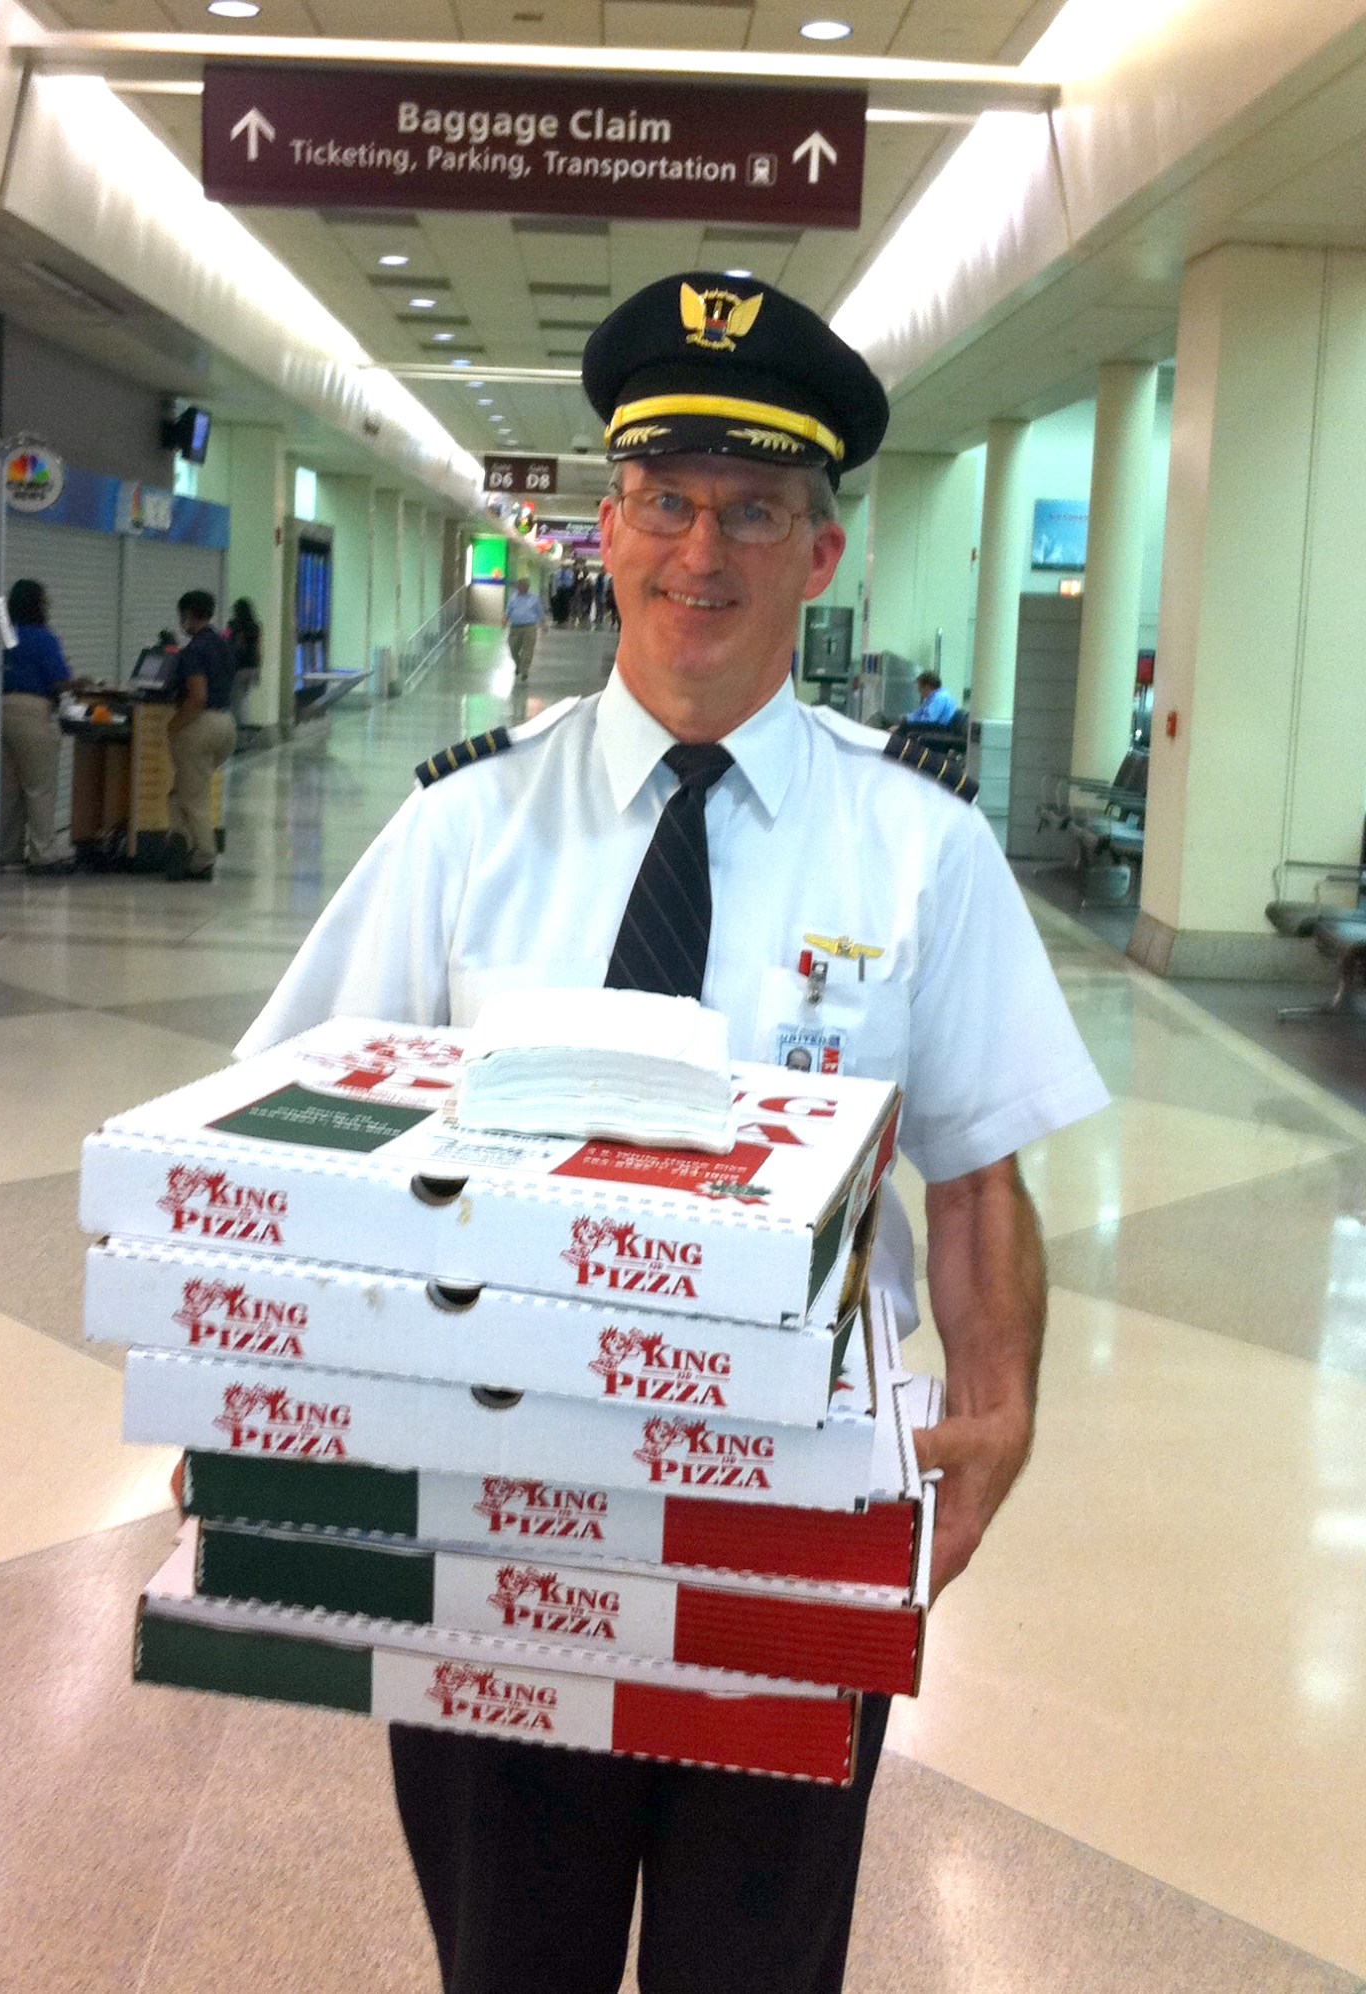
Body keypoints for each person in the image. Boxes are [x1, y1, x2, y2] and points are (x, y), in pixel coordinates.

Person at [238, 269, 1108, 1994]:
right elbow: (297, 1133)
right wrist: (261, 1397)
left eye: (755, 509)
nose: (700, 550)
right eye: (665, 500)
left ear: (821, 552)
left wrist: (1000, 1407)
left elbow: (980, 1165)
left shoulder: (916, 850)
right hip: (501, 1503)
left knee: (754, 1964)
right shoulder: (460, 828)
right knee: (513, 1956)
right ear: (609, 521)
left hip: (792, 1514)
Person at [0, 578, 75, 876]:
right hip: (34, 712)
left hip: (2, 710)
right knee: (39, 787)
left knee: (8, 789)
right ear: (37, 604)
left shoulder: (5, 634)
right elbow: (58, 680)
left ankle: (7, 853)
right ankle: (44, 854)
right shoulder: (44, 638)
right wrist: (79, 682)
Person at [163, 589, 235, 882]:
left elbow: (198, 696)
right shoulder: (222, 645)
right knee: (187, 790)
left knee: (194, 798)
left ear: (189, 615)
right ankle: (180, 838)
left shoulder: (193, 651)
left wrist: (174, 725)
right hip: (227, 725)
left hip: (200, 726)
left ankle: (203, 857)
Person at [225, 597, 261, 731]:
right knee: (243, 698)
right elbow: (258, 649)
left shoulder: (233, 625)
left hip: (238, 668)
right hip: (251, 667)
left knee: (235, 700)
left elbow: (225, 640)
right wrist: (258, 670)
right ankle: (245, 729)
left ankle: (240, 730)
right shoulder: (255, 626)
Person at [503, 575, 544, 682]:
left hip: (529, 627)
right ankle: (519, 664)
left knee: (528, 650)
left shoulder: (534, 598)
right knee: (513, 649)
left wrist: (543, 624)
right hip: (515, 627)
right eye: (519, 586)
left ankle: (524, 671)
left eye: (523, 586)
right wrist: (505, 619)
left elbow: (539, 612)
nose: (521, 588)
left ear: (527, 587)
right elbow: (508, 610)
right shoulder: (513, 597)